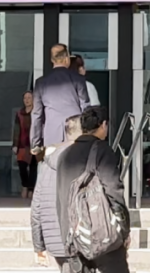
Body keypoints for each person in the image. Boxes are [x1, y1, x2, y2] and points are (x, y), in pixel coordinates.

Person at [56, 106, 129, 273]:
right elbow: (114, 191)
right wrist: (124, 230)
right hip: (103, 233)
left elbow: (60, 199)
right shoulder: (103, 151)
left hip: (75, 235)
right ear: (103, 125)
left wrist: (67, 237)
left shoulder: (64, 156)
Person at [31, 115, 81, 271]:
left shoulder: (45, 165)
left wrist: (39, 246)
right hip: (80, 238)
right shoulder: (84, 160)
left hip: (54, 239)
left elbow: (36, 209)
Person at [31, 44, 91, 151]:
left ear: (52, 60)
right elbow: (85, 108)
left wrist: (35, 142)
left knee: (53, 161)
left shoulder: (41, 82)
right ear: (66, 58)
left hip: (52, 135)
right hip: (75, 133)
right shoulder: (78, 79)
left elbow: (37, 114)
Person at [14, 91, 38, 199]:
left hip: (34, 143)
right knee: (22, 167)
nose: (27, 100)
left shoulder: (37, 112)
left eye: (29, 97)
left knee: (33, 168)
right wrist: (15, 144)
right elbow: (16, 129)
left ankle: (31, 189)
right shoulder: (19, 113)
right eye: (25, 98)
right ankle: (25, 185)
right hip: (23, 144)